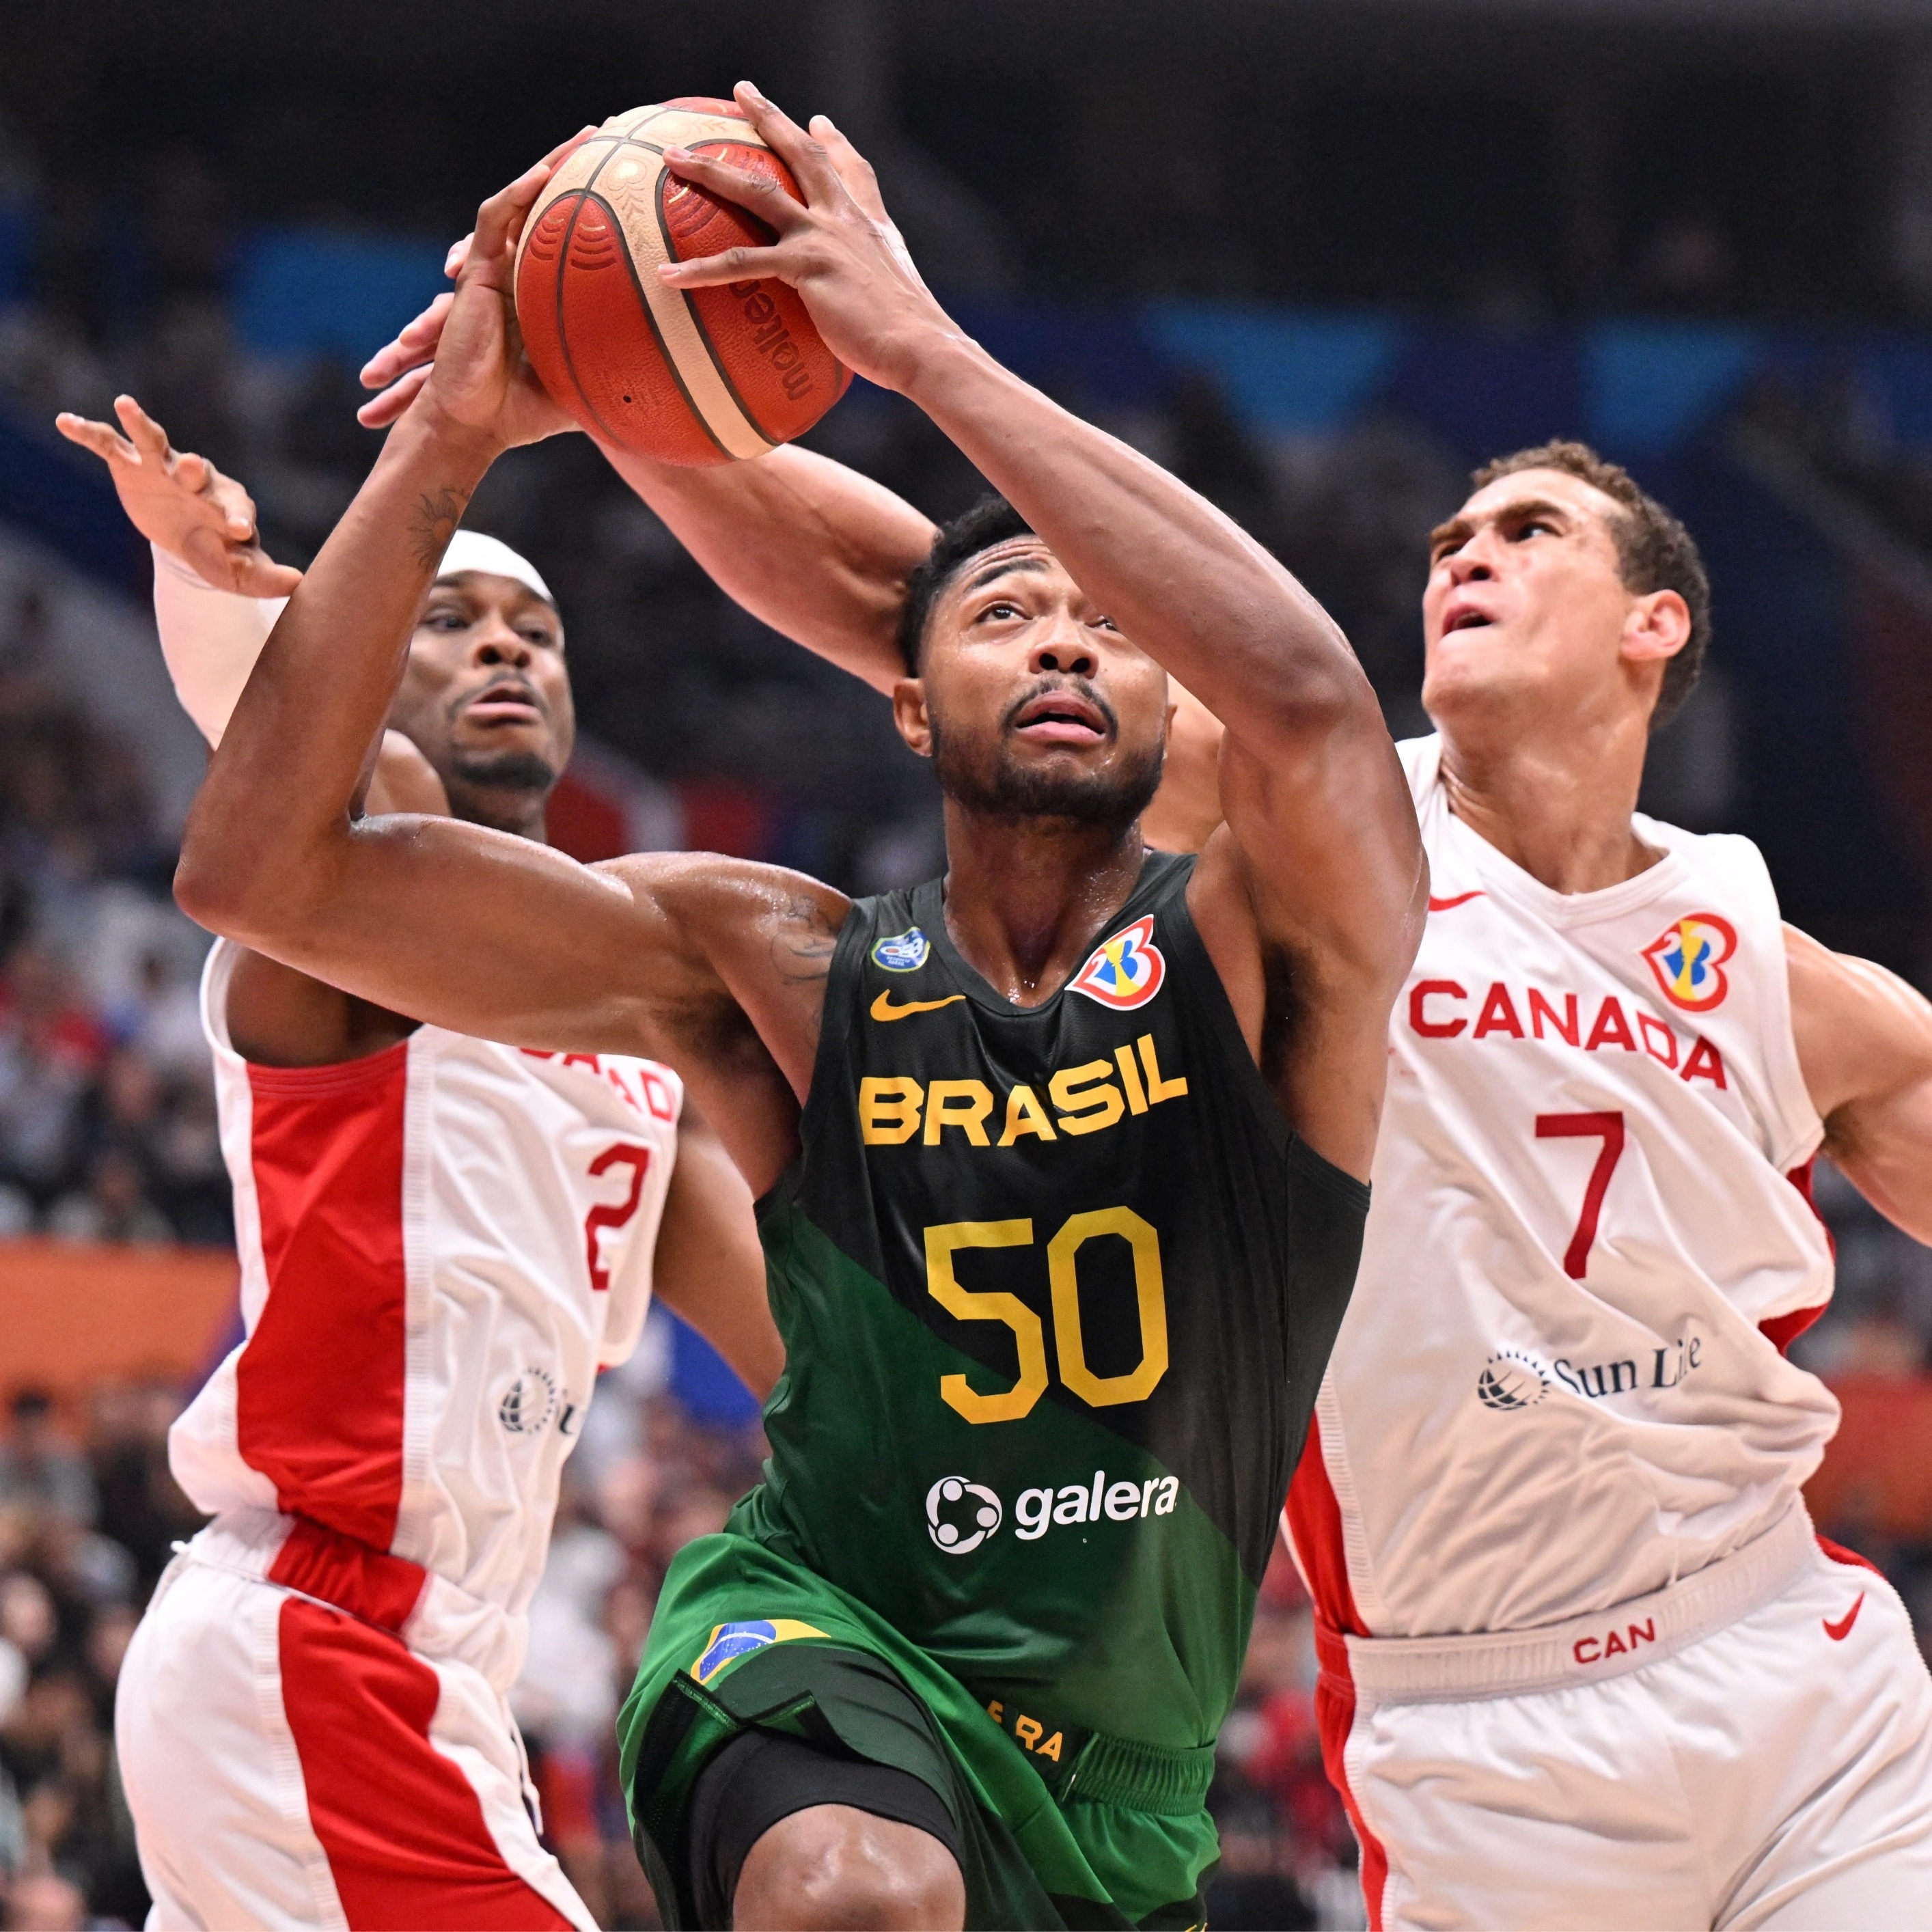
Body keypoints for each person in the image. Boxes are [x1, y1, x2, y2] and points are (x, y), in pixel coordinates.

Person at [170, 89, 1425, 1931]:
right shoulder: (772, 965)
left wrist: (918, 353)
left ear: (1180, 729)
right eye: (1003, 609)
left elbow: (1313, 704)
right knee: (853, 1888)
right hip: (815, 1639)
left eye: (1107, 625)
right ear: (907, 706)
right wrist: (453, 440)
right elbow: (273, 879)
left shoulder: (1277, 955)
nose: (1066, 636)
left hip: (1118, 1780)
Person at [54, 394, 784, 1932]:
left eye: (538, 628)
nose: (509, 648)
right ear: (377, 668)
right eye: (452, 619)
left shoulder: (644, 1017)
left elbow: (819, 1354)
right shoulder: (349, 909)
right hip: (317, 1633)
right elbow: (284, 732)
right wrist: (222, 586)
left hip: (433, 1672)